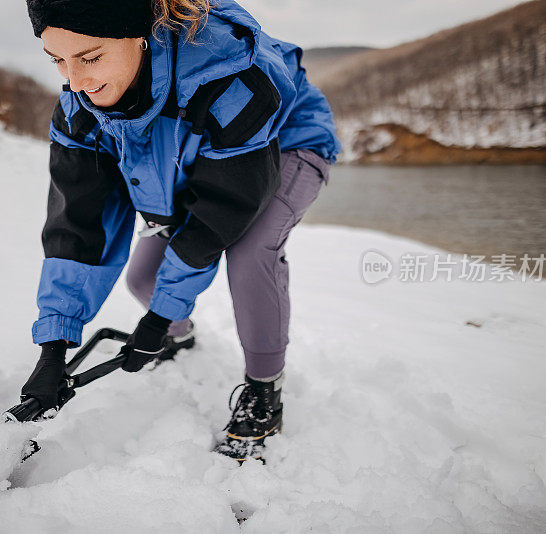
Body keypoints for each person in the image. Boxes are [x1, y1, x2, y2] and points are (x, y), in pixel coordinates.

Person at [20, 0, 341, 462]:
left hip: (281, 140)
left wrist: (156, 318)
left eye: (90, 57)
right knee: (143, 278)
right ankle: (179, 336)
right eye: (58, 60)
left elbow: (219, 211)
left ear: (139, 38)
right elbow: (80, 225)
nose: (75, 80)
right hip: (189, 146)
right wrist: (54, 344)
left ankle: (264, 390)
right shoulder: (80, 105)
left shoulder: (230, 80)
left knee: (250, 252)